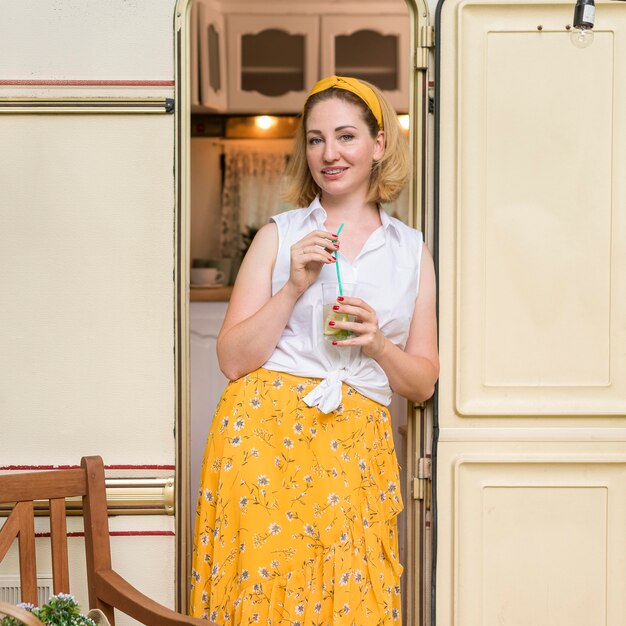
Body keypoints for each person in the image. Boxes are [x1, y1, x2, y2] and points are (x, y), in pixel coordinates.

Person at [190, 75, 439, 625]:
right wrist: (294, 286)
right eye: (316, 139)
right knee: (262, 599)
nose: (329, 154)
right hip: (263, 439)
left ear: (378, 145)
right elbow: (233, 359)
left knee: (351, 602)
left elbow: (421, 383)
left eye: (346, 136)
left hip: (356, 448)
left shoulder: (411, 251)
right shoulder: (278, 237)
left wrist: (377, 345)